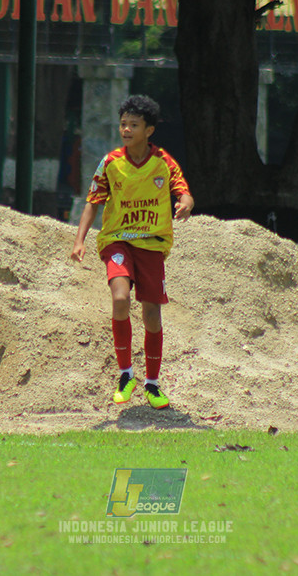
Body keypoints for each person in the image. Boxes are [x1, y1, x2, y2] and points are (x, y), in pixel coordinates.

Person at [70, 95, 194, 409]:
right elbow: (93, 202)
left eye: (134, 125)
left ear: (149, 130)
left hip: (152, 243)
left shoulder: (163, 162)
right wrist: (80, 239)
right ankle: (126, 374)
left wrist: (186, 203)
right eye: (123, 124)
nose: (126, 129)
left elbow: (183, 191)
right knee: (120, 298)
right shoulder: (111, 162)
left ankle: (152, 383)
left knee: (152, 314)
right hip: (117, 240)